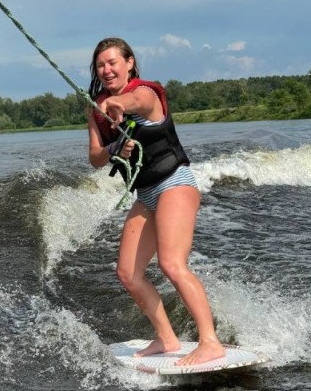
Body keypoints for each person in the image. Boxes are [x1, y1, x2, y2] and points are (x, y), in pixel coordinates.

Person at [87, 37, 225, 366]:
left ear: (130, 63)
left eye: (113, 62)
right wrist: (112, 149)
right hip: (145, 194)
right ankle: (166, 337)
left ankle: (210, 341)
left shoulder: (146, 93)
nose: (106, 70)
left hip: (174, 183)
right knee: (128, 273)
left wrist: (118, 104)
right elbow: (94, 158)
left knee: (171, 264)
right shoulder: (96, 107)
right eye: (100, 65)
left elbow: (134, 101)